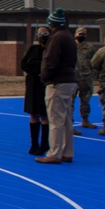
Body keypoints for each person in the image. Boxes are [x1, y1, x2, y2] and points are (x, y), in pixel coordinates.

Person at [36, 9, 78, 164]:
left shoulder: (57, 39)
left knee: (55, 119)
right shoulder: (69, 37)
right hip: (70, 80)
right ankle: (67, 151)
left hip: (58, 82)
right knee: (66, 119)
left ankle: (54, 153)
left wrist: (46, 77)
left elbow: (50, 61)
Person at [21, 26, 50, 155]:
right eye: (40, 34)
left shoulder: (50, 50)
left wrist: (40, 70)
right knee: (33, 114)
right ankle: (34, 144)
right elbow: (24, 64)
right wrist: (35, 70)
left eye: (44, 33)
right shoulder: (33, 49)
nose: (41, 36)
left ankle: (44, 144)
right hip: (33, 83)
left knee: (44, 115)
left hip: (45, 84)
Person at [74, 27, 97, 130]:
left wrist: (93, 74)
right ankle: (69, 121)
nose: (81, 36)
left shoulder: (90, 48)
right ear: (75, 34)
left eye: (83, 34)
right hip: (73, 77)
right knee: (70, 100)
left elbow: (95, 61)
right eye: (80, 34)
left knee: (85, 100)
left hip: (86, 77)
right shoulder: (70, 46)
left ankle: (85, 120)